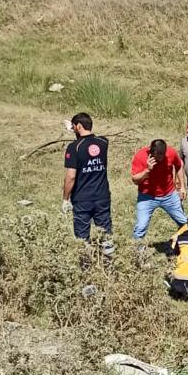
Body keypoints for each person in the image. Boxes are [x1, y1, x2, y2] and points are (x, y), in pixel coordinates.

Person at [62, 112, 114, 263]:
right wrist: (76, 129)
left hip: (82, 199)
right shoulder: (103, 143)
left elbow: (71, 176)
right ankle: (108, 264)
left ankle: (86, 268)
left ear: (78, 126)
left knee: (82, 237)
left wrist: (65, 199)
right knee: (105, 234)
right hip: (102, 197)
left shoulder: (74, 148)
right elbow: (90, 141)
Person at [131, 138, 187, 245]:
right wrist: (147, 170)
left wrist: (182, 186)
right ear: (151, 152)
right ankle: (137, 254)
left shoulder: (171, 152)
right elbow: (135, 180)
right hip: (147, 197)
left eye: (163, 154)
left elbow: (179, 166)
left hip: (169, 194)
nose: (162, 157)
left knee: (185, 223)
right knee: (140, 227)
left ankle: (184, 245)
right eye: (159, 154)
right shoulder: (141, 156)